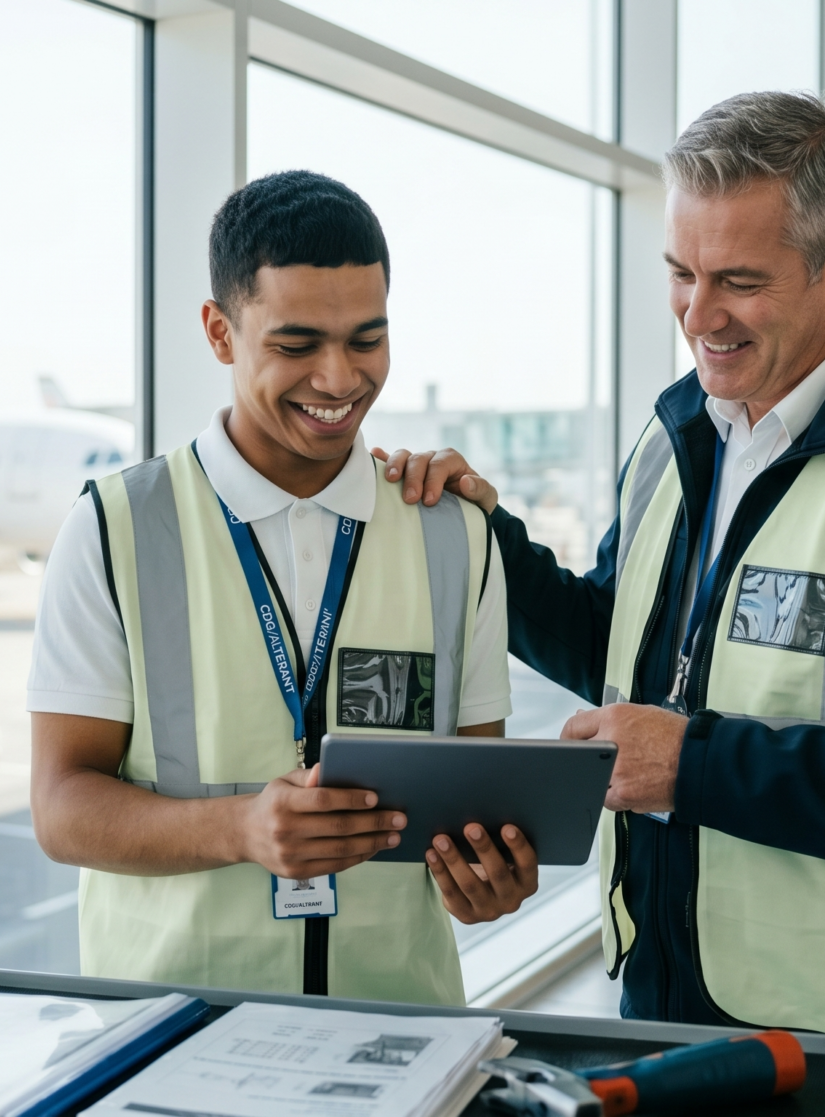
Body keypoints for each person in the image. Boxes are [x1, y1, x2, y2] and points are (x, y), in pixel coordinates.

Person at [383, 93, 825, 1107]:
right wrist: (490, 544)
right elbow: (624, 649)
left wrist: (689, 762)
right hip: (677, 1002)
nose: (698, 315)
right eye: (679, 273)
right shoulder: (678, 437)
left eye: (738, 281)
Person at [27, 171, 534, 1005]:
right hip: (168, 1037)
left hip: (398, 1030)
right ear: (220, 332)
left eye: (366, 340)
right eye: (297, 345)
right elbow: (61, 808)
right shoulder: (115, 527)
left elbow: (474, 804)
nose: (338, 379)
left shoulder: (454, 533)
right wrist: (241, 829)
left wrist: (487, 877)